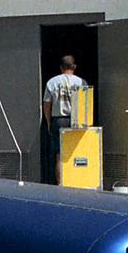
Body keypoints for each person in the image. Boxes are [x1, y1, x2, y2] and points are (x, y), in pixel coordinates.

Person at [40, 56, 86, 184]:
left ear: (61, 67)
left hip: (59, 120)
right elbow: (85, 103)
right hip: (77, 120)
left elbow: (47, 103)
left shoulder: (52, 82)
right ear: (74, 67)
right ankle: (76, 180)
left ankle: (61, 183)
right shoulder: (81, 82)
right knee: (76, 151)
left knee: (59, 154)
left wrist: (49, 122)